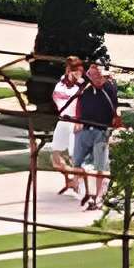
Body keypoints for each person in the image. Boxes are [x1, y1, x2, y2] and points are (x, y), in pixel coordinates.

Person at [71, 61, 123, 210]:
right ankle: (86, 193)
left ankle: (98, 197)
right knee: (77, 163)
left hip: (102, 131)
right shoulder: (85, 88)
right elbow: (78, 103)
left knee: (101, 166)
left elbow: (114, 107)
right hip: (84, 129)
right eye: (93, 74)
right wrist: (77, 122)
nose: (96, 78)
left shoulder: (109, 87)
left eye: (99, 75)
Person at [48, 56, 88, 200]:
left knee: (74, 157)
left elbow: (83, 106)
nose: (78, 74)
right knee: (55, 159)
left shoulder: (82, 86)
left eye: (80, 71)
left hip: (75, 123)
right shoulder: (60, 83)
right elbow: (58, 100)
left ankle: (79, 182)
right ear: (68, 70)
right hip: (63, 121)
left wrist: (80, 121)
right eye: (75, 71)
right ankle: (72, 180)